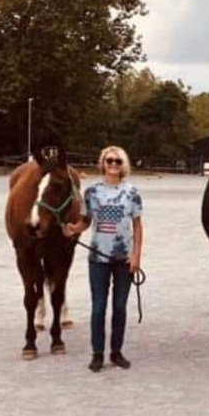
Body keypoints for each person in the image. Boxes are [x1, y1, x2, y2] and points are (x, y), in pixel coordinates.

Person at [63, 146, 144, 373]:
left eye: (117, 161)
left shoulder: (131, 192)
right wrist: (73, 229)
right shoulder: (92, 192)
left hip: (123, 258)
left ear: (123, 165)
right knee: (98, 307)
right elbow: (86, 221)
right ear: (103, 164)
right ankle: (97, 353)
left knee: (120, 307)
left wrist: (136, 255)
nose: (113, 164)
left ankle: (116, 351)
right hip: (98, 257)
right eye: (109, 161)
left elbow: (137, 226)